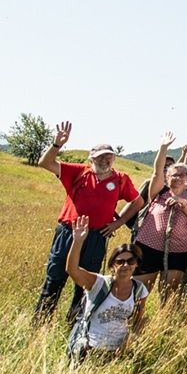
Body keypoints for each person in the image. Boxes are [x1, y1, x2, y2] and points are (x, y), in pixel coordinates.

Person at [33, 121, 146, 321]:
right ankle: (41, 323)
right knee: (55, 278)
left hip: (95, 237)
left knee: (85, 284)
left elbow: (138, 202)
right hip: (68, 232)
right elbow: (45, 163)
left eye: (109, 156)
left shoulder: (120, 179)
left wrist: (117, 223)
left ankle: (75, 325)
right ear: (91, 158)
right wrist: (56, 145)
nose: (105, 160)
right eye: (100, 156)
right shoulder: (78, 172)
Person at [65, 215, 147, 358]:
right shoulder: (99, 283)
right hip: (89, 347)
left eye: (130, 261)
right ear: (112, 265)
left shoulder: (139, 289)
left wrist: (126, 345)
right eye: (120, 262)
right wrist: (77, 241)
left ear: (136, 264)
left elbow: (138, 322)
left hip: (118, 351)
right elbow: (72, 270)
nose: (125, 265)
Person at [132, 142, 187, 301]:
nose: (178, 178)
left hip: (179, 250)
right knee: (139, 291)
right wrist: (163, 148)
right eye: (174, 175)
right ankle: (135, 321)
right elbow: (157, 171)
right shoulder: (159, 191)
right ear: (167, 177)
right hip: (149, 246)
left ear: (186, 178)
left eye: (181, 175)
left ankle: (164, 321)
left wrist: (183, 203)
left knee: (170, 291)